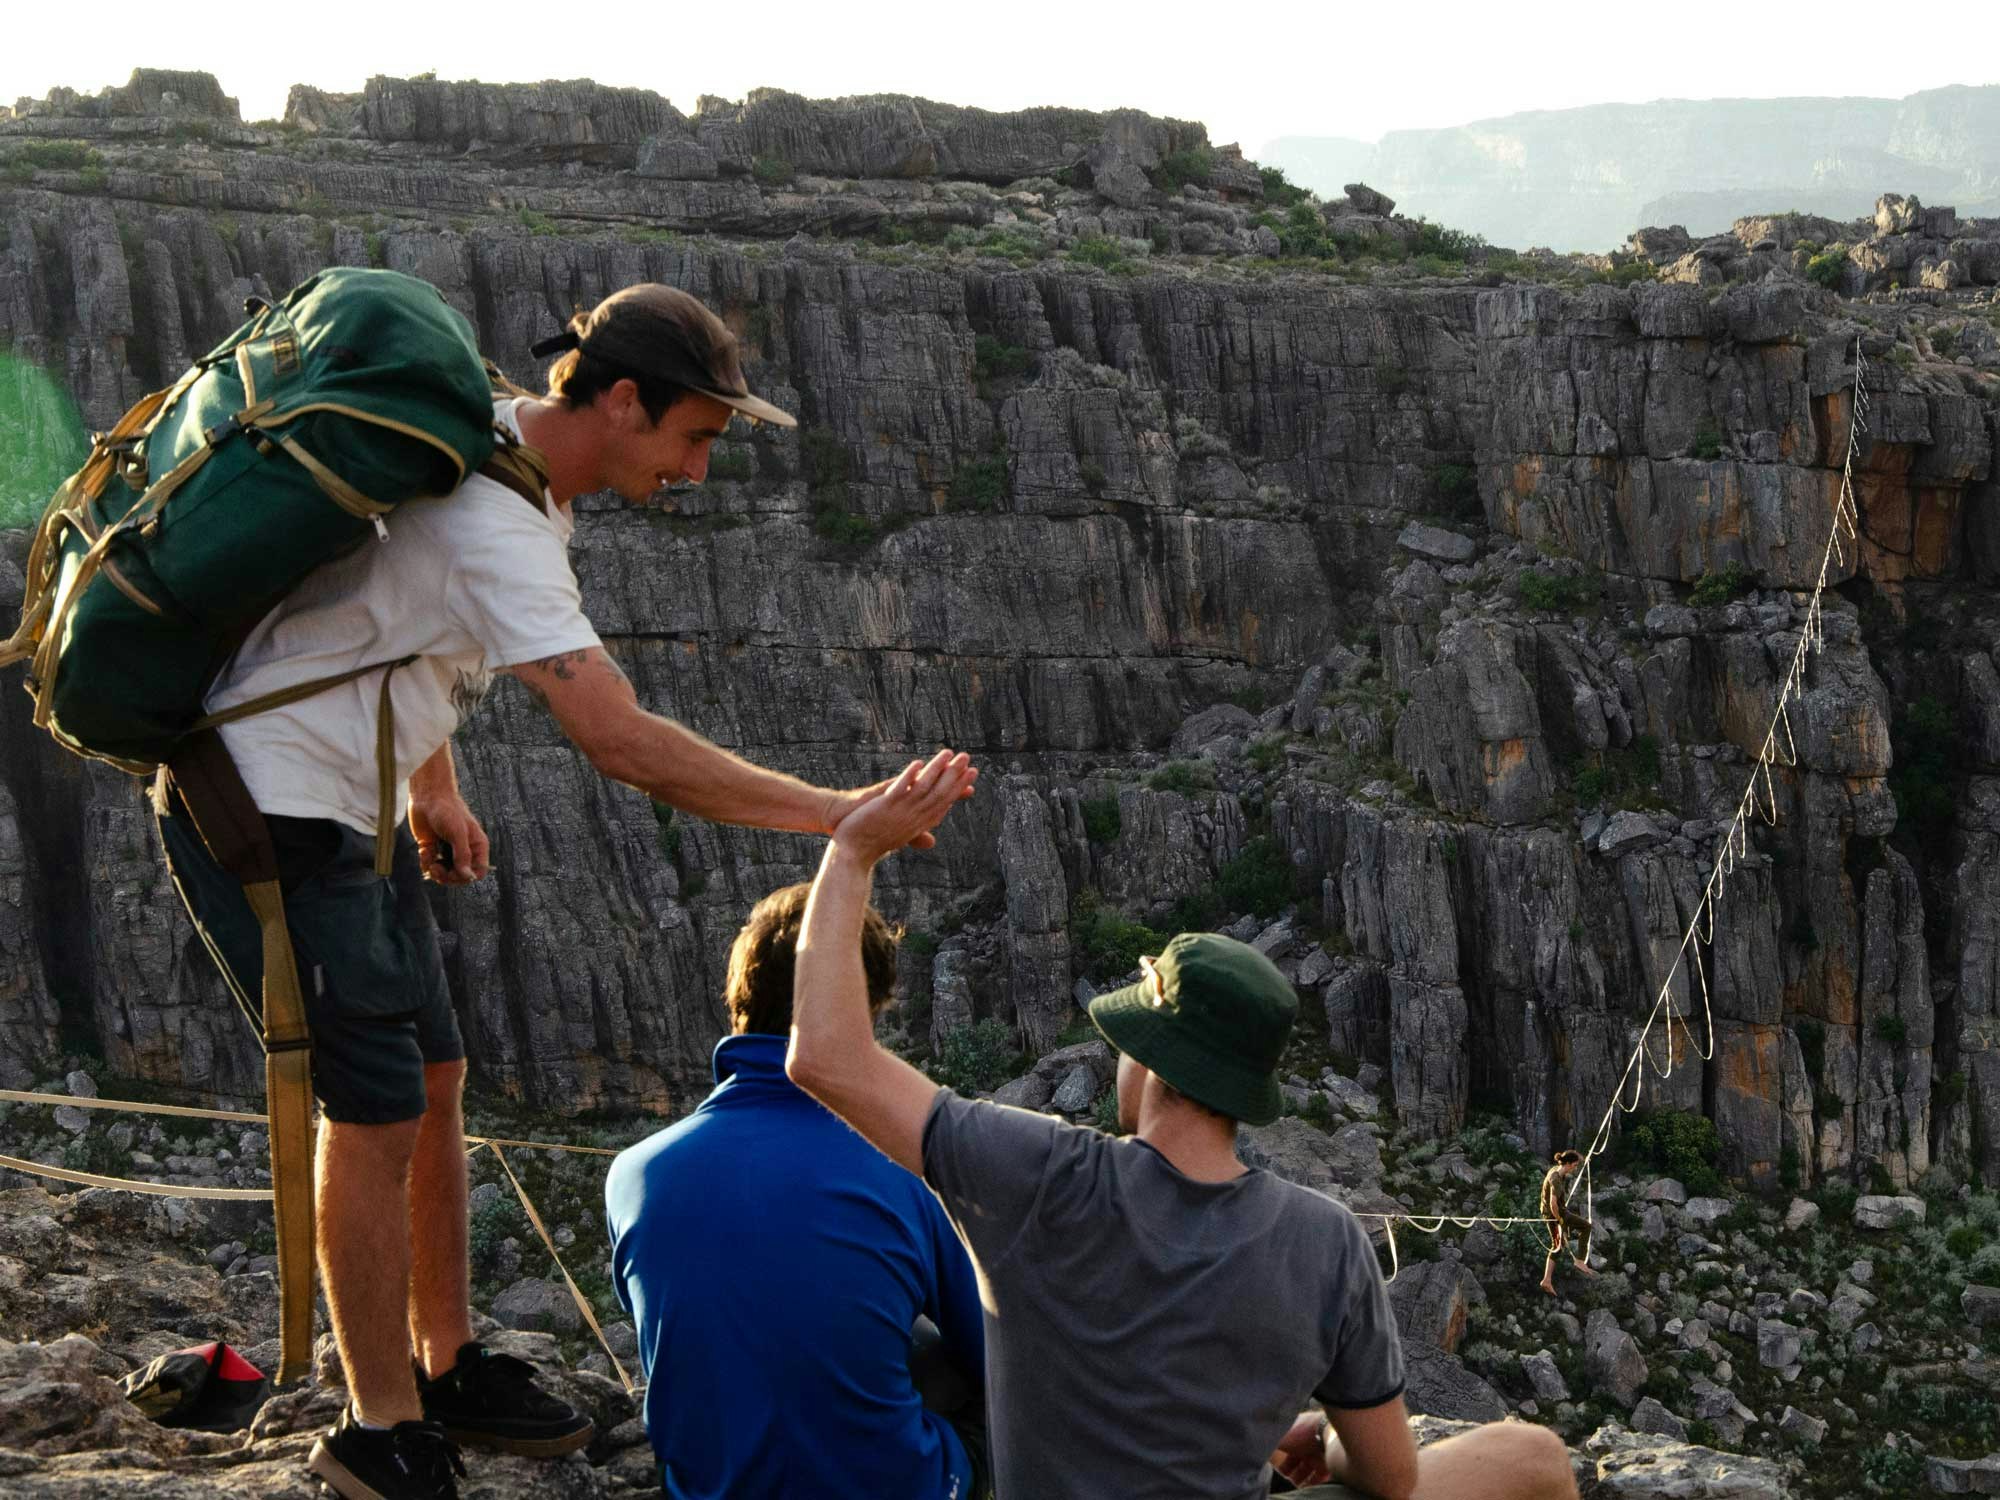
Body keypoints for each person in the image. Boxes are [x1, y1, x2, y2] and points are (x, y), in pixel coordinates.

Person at [157, 283, 926, 1500]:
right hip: (269, 808)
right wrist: (838, 815)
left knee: (433, 1076)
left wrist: (433, 785)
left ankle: (447, 1356)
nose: (699, 469)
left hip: (351, 801)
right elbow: (618, 740)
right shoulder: (499, 519)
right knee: (368, 1110)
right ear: (621, 400)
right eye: (694, 436)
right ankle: (379, 1428)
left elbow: (394, 625)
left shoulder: (513, 469)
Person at [784, 750, 1581, 1500]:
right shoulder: (1328, 1243)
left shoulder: (1033, 1173)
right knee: (1535, 1457)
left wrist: (852, 853)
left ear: (1153, 1062)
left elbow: (825, 1057)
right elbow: (1393, 1479)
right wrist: (1320, 1435)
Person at [604, 882, 989, 1500]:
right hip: (895, 1486)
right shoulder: (906, 1166)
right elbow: (993, 1353)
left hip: (708, 1488)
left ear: (738, 1004)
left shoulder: (632, 1174)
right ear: (863, 1017)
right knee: (938, 1347)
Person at [1538, 1150, 1595, 1297]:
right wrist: (1560, 1221)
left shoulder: (1557, 1169)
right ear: (1568, 1164)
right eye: (1574, 1165)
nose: (1575, 1168)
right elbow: (1553, 1204)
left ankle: (1546, 1280)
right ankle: (1580, 1261)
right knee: (1585, 1227)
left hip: (1556, 1212)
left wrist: (1583, 1158)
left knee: (1559, 1246)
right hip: (1554, 1214)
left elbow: (1573, 1156)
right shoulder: (1556, 1179)